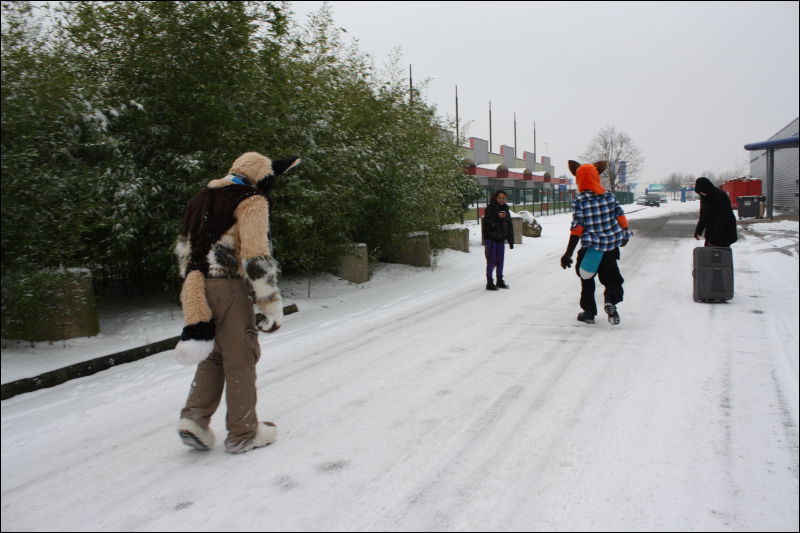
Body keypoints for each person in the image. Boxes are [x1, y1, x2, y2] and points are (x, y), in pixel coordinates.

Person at [174, 151, 300, 454]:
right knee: (241, 356)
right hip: (229, 287)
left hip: (197, 285)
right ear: (260, 178)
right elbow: (255, 255)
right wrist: (270, 304)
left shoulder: (201, 198)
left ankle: (194, 419)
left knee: (214, 355)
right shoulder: (251, 200)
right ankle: (243, 433)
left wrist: (194, 288)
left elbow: (183, 249)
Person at [560, 160, 631, 325]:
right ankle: (610, 301)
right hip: (610, 247)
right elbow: (621, 217)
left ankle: (589, 312)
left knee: (586, 278)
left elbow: (577, 228)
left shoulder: (580, 200)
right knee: (612, 279)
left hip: (591, 247)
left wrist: (568, 253)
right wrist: (625, 235)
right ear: (596, 177)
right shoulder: (608, 196)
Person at [482, 190, 515, 290]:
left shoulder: (506, 209)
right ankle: (489, 282)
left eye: (503, 198)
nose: (501, 200)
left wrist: (510, 240)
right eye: (500, 198)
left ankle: (499, 280)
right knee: (491, 260)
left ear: (506, 199)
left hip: (501, 239)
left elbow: (509, 225)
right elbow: (487, 223)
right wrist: (497, 217)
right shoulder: (490, 208)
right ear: (496, 198)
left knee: (500, 260)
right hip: (491, 239)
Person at [693, 177, 738, 247]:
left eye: (702, 191)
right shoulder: (704, 197)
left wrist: (714, 239)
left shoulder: (720, 196)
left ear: (707, 188)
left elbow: (722, 220)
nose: (702, 194)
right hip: (712, 231)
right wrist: (698, 230)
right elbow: (703, 216)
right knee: (709, 254)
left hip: (725, 232)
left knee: (720, 255)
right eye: (700, 193)